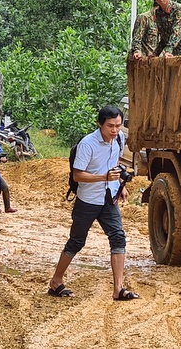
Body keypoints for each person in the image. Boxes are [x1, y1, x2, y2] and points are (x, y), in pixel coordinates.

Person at [47, 106, 139, 301]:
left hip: (108, 198)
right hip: (87, 200)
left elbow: (113, 164)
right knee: (76, 241)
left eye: (118, 126)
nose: (115, 130)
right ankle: (56, 281)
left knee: (118, 237)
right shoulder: (88, 144)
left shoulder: (119, 140)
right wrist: (103, 177)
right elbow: (77, 175)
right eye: (110, 126)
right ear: (100, 124)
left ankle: (118, 289)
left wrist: (119, 185)